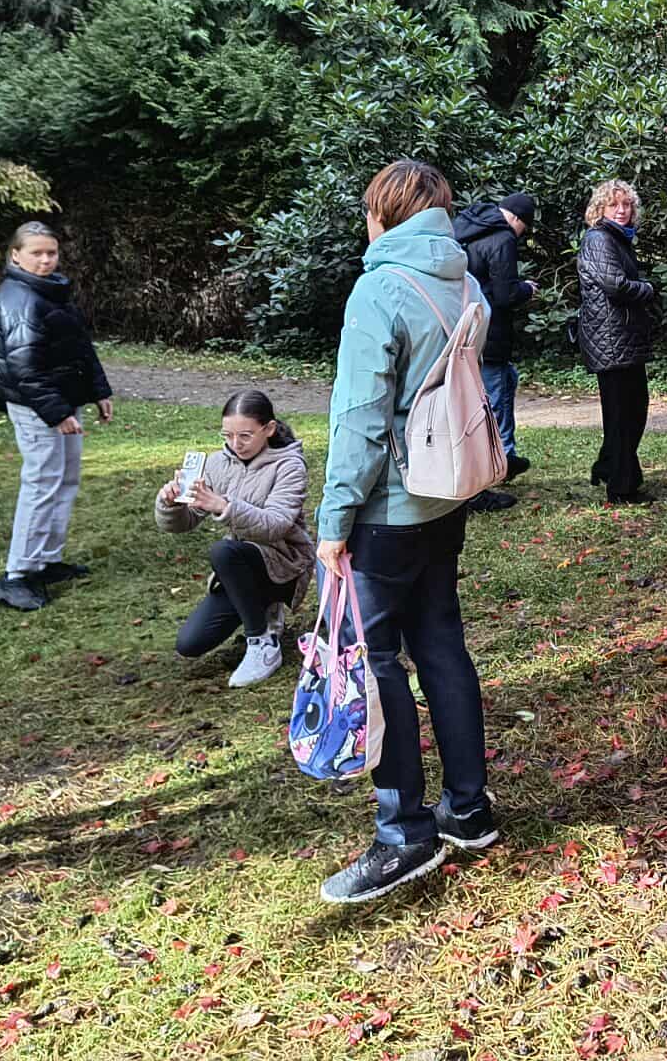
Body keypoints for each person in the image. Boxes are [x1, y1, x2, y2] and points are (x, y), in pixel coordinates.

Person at [314, 160, 498, 906]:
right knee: (443, 643)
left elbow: (359, 419)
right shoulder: (466, 281)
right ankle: (469, 809)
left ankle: (404, 835)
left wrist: (333, 521)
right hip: (445, 493)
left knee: (377, 661)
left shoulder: (380, 289)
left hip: (387, 508)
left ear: (380, 215)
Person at [0, 221, 113, 612]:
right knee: (42, 484)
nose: (46, 260)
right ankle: (17, 575)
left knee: (64, 480)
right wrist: (57, 413)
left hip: (61, 402)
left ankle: (45, 561)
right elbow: (23, 369)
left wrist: (99, 391)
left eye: (52, 252)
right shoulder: (20, 299)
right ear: (16, 255)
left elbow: (79, 345)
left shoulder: (50, 289)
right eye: (37, 253)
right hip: (38, 408)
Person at [157, 391, 312, 688]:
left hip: (285, 565)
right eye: (227, 435)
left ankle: (261, 643)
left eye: (245, 435)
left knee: (224, 551)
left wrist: (224, 506)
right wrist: (170, 503)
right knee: (189, 643)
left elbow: (276, 525)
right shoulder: (217, 463)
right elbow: (185, 522)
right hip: (239, 567)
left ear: (268, 429)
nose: (235, 444)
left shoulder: (290, 465)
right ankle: (263, 611)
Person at [452, 192, 537, 511]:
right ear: (516, 219)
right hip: (490, 330)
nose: (522, 234)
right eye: (524, 228)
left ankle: (503, 457)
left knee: (500, 383)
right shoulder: (503, 238)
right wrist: (526, 289)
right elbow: (504, 294)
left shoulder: (466, 225)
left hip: (462, 327)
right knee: (496, 394)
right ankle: (499, 463)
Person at [577, 180, 659, 506]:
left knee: (630, 410)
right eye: (614, 205)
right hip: (611, 339)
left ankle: (608, 466)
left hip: (620, 338)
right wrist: (647, 289)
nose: (622, 210)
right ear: (601, 209)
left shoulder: (617, 238)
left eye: (626, 204)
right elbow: (616, 285)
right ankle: (622, 487)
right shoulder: (599, 238)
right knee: (625, 414)